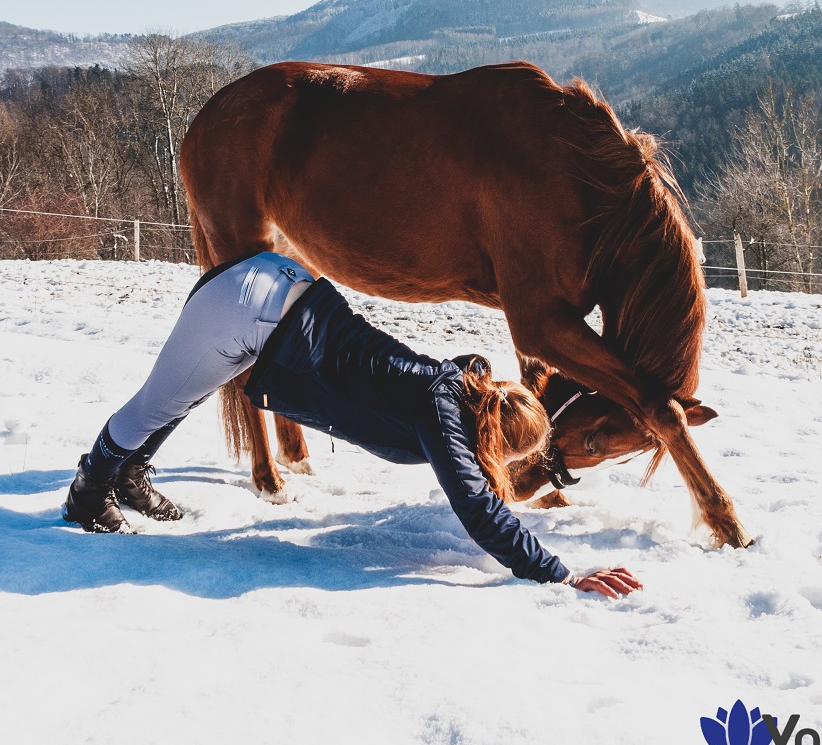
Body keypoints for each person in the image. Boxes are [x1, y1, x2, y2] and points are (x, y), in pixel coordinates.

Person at [64, 251, 642, 600]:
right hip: (254, 310)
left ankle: (130, 475)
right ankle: (89, 492)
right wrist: (562, 576)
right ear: (497, 440)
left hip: (279, 293)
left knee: (182, 391)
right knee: (156, 404)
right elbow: (478, 509)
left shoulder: (459, 385)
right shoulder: (444, 416)